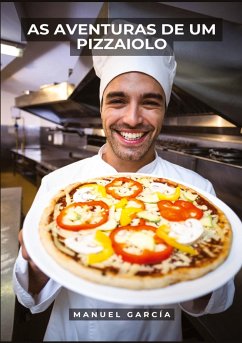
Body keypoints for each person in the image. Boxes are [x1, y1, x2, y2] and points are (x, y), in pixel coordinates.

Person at [13, 52, 235, 341]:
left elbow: (214, 301)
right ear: (102, 107)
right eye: (117, 100)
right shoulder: (58, 186)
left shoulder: (196, 192)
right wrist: (37, 265)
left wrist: (195, 257)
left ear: (164, 110)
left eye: (150, 102)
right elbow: (30, 298)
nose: (132, 118)